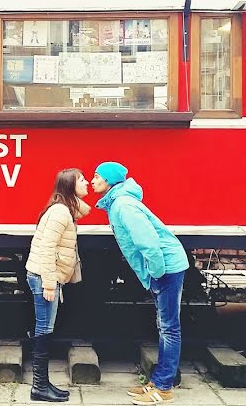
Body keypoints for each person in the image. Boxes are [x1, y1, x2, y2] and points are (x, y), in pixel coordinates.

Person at [92, 162, 189, 405]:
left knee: (169, 328)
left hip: (167, 267)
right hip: (165, 267)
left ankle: (164, 388)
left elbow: (149, 244)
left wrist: (155, 273)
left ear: (109, 181)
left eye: (96, 176)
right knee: (164, 326)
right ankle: (157, 382)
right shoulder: (118, 203)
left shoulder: (124, 206)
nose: (92, 180)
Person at [24, 168, 90, 402]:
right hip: (44, 277)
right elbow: (46, 249)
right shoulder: (61, 212)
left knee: (46, 329)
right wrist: (50, 285)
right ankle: (39, 387)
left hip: (45, 276)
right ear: (70, 185)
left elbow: (80, 211)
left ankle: (43, 384)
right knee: (43, 330)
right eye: (82, 179)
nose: (88, 182)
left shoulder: (64, 209)